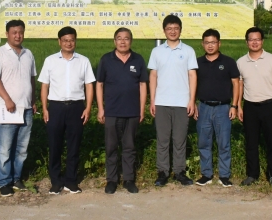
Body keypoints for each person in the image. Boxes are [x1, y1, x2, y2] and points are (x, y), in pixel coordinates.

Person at [39, 26, 95, 195]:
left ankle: (71, 181)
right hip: (55, 107)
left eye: (71, 40)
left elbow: (89, 85)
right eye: (65, 40)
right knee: (54, 145)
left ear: (75, 41)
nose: (68, 43)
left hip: (76, 107)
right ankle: (56, 181)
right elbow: (44, 85)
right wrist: (44, 108)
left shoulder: (83, 61)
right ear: (59, 42)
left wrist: (88, 108)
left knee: (74, 146)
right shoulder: (50, 60)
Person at [96, 28, 148, 194]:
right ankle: (111, 180)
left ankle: (128, 179)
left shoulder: (138, 60)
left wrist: (142, 109)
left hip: (132, 111)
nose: (123, 42)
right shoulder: (106, 59)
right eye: (119, 38)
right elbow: (99, 84)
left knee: (129, 147)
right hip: (112, 111)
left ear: (131, 41)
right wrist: (101, 109)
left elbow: (143, 85)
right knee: (111, 147)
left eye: (126, 38)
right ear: (114, 41)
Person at [148, 14, 198, 186]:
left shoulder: (188, 51)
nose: (172, 31)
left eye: (176, 28)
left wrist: (192, 100)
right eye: (169, 29)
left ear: (180, 30)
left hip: (182, 102)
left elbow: (192, 75)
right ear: (164, 31)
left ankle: (179, 171)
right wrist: (152, 100)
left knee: (179, 139)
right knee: (162, 140)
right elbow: (153, 76)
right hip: (162, 102)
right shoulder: (157, 51)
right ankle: (162, 172)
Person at [0, 20, 37, 197]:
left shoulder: (28, 54)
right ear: (7, 34)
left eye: (21, 32)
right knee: (5, 148)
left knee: (22, 148)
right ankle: (3, 182)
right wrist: (7, 99)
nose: (18, 35)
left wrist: (33, 100)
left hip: (26, 108)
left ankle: (16, 178)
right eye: (14, 32)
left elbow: (32, 78)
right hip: (7, 108)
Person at [236, 26, 272, 188]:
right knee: (251, 142)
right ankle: (252, 174)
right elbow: (240, 85)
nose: (254, 42)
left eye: (257, 39)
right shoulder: (241, 62)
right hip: (250, 106)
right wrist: (239, 106)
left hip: (269, 104)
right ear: (246, 42)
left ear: (262, 41)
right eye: (251, 40)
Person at [194, 29, 240, 188]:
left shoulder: (228, 62)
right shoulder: (197, 63)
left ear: (219, 43)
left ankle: (224, 175)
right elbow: (191, 84)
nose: (210, 45)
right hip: (204, 107)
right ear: (202, 44)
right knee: (203, 142)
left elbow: (236, 84)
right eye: (207, 42)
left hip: (223, 108)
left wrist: (234, 105)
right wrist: (193, 103)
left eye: (213, 42)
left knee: (224, 143)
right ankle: (206, 174)